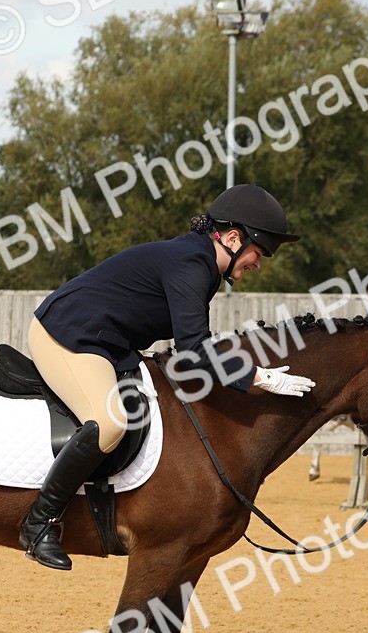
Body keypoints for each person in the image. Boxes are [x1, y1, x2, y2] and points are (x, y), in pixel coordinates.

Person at [20, 184, 316, 570]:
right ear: (231, 238)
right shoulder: (192, 265)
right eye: (259, 252)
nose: (258, 263)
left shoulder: (201, 266)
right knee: (109, 423)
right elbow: (194, 352)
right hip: (68, 332)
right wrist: (258, 378)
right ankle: (39, 522)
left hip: (109, 342)